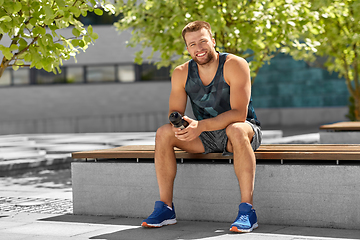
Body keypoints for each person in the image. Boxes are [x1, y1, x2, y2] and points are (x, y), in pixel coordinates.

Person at [141, 21, 262, 233]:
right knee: (163, 133)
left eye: (203, 41)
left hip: (243, 131)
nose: (199, 48)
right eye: (192, 44)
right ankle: (166, 208)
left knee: (235, 128)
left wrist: (200, 125)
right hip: (204, 134)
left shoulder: (235, 64)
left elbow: (239, 114)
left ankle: (247, 211)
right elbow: (174, 112)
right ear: (187, 48)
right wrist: (180, 123)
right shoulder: (181, 72)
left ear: (213, 41)